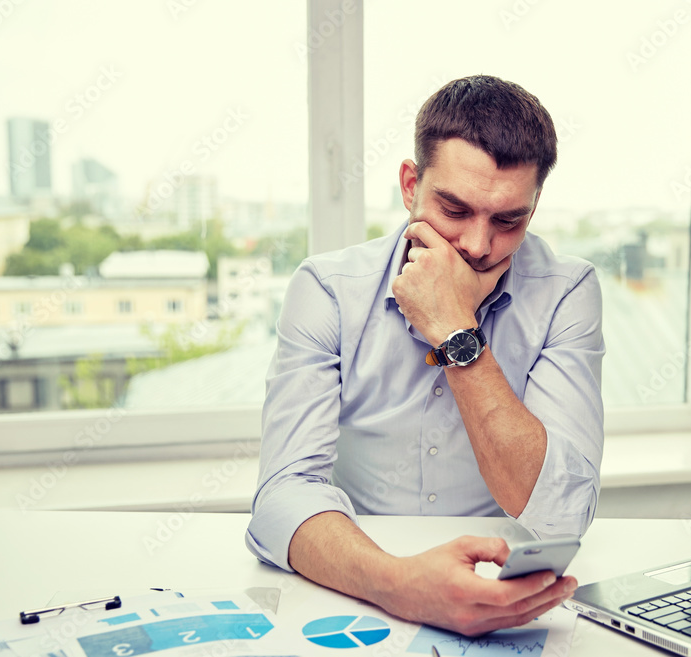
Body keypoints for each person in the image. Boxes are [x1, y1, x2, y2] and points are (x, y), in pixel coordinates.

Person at [246, 75, 605, 636]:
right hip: (356, 588)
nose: (478, 245)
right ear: (411, 184)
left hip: (500, 596)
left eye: (508, 219)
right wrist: (399, 584)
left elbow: (560, 511)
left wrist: (455, 329)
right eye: (454, 208)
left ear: (533, 210)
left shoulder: (567, 292)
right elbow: (282, 498)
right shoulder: (328, 288)